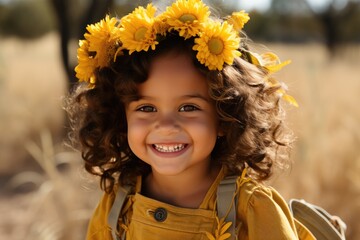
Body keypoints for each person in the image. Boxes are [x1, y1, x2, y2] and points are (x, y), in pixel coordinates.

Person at [65, 0, 313, 239]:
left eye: (188, 107)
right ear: (122, 118)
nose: (165, 125)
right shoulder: (116, 206)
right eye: (147, 108)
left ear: (225, 119)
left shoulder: (252, 209)